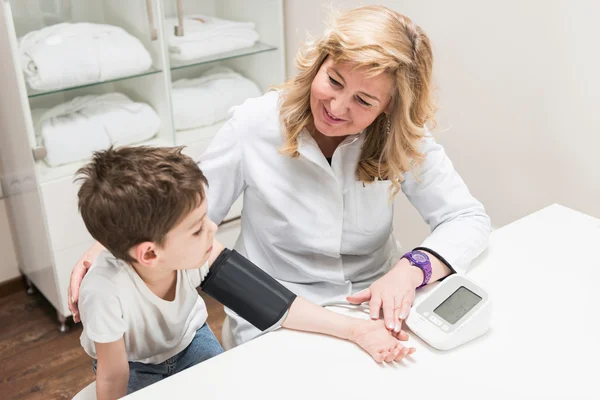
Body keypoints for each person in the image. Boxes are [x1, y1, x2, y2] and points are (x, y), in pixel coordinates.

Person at [69, 5, 490, 349]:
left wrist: (411, 269)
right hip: (275, 312)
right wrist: (106, 247)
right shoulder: (254, 124)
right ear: (319, 62)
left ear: (390, 110)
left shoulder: (402, 140)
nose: (337, 107)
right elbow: (176, 216)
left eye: (363, 100)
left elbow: (466, 219)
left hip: (377, 302)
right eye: (333, 80)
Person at [76, 146, 414, 398]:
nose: (212, 228)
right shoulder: (104, 292)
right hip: (135, 366)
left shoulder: (198, 254)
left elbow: (273, 303)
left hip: (190, 341)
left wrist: (356, 331)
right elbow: (112, 376)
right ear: (150, 253)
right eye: (196, 229)